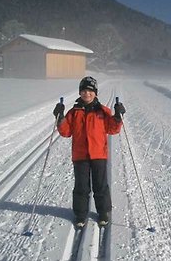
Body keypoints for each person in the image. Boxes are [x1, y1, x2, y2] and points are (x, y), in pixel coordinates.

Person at [53, 76, 126, 227]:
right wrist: (60, 117)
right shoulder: (74, 112)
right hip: (80, 156)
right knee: (81, 186)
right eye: (84, 91)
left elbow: (113, 129)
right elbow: (66, 132)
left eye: (90, 91)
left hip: (99, 154)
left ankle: (103, 212)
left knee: (100, 185)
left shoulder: (103, 111)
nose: (87, 94)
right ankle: (80, 215)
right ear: (80, 93)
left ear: (95, 93)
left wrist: (118, 116)